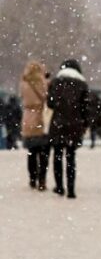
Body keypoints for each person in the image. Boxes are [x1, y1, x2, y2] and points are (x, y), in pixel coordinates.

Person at [47, 59, 89, 199]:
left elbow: (50, 104)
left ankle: (59, 187)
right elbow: (85, 108)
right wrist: (85, 124)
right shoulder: (82, 84)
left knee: (57, 156)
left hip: (58, 123)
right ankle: (71, 189)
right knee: (71, 157)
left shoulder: (55, 82)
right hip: (74, 124)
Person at [19, 61, 50, 190]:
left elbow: (22, 96)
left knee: (31, 152)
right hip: (41, 118)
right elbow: (46, 97)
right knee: (44, 153)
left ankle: (32, 178)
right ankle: (42, 180)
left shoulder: (23, 83)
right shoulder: (43, 82)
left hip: (27, 118)